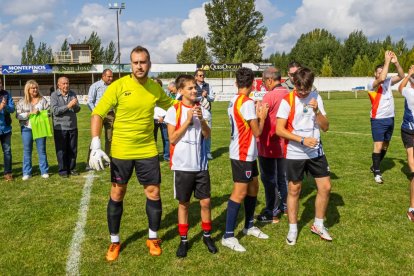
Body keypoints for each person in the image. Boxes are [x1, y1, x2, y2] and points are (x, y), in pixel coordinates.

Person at [88, 46, 175, 261]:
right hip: (121, 150)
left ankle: (152, 237)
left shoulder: (155, 88)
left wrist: (191, 105)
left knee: (153, 192)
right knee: (117, 193)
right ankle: (114, 241)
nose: (139, 66)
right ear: (131, 64)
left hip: (147, 149)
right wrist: (96, 144)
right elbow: (97, 113)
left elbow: (173, 105)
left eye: (143, 62)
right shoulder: (118, 86)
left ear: (149, 64)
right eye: (135, 62)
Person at [276, 67, 332, 246]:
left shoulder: (316, 98)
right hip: (295, 152)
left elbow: (325, 127)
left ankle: (318, 224)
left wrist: (317, 112)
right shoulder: (287, 100)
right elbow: (279, 130)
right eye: (300, 89)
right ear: (294, 84)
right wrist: (301, 140)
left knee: (326, 187)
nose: (302, 92)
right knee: (294, 190)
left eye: (306, 89)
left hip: (316, 151)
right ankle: (293, 228)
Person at [164, 74, 217, 257]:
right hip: (182, 166)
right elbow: (172, 139)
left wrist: (201, 119)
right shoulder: (174, 110)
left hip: (201, 165)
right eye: (190, 88)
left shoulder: (202, 109)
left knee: (206, 202)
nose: (194, 90)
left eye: (195, 87)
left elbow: (207, 135)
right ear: (180, 91)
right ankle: (184, 240)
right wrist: (187, 120)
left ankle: (207, 236)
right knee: (184, 204)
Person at [221, 67, 269, 252]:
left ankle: (249, 225)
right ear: (253, 83)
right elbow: (257, 131)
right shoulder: (247, 103)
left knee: (254, 186)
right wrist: (261, 117)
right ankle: (228, 236)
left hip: (245, 153)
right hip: (243, 153)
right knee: (239, 193)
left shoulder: (235, 100)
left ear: (236, 83)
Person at [256, 67, 289, 223]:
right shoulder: (289, 94)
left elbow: (260, 119)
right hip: (285, 144)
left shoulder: (269, 96)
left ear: (270, 80)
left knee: (269, 179)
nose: (264, 85)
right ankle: (285, 206)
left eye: (264, 81)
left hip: (268, 143)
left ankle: (272, 212)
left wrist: (257, 110)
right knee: (282, 178)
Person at [367, 50, 404, 184]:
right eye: (379, 71)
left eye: (383, 70)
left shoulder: (388, 82)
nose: (381, 73)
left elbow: (401, 75)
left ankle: (374, 165)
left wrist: (396, 63)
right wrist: (386, 61)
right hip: (378, 119)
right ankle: (377, 172)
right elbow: (381, 78)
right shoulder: (371, 85)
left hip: (390, 118)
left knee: (386, 145)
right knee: (378, 145)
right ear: (375, 74)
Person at [16, 80, 50, 180]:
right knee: (27, 151)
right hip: (26, 128)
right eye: (32, 88)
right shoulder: (22, 101)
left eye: (36, 87)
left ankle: (44, 171)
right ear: (28, 89)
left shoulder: (43, 100)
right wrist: (30, 113)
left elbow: (49, 112)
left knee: (42, 150)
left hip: (40, 128)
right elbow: (18, 116)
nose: (35, 89)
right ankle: (26, 172)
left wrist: (42, 112)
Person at [50, 76, 81, 178]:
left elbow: (77, 109)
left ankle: (72, 168)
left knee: (73, 149)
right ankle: (63, 170)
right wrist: (68, 106)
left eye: (67, 83)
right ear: (58, 85)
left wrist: (75, 105)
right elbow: (55, 111)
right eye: (63, 83)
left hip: (72, 126)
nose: (66, 85)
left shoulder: (72, 94)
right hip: (60, 128)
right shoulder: (54, 95)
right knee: (61, 150)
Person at [86, 69, 114, 170]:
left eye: (111, 76)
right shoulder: (95, 86)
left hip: (110, 115)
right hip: (99, 116)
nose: (111, 78)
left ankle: (107, 159)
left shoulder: (113, 86)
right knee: (95, 139)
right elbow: (89, 101)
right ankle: (90, 162)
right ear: (103, 76)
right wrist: (96, 114)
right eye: (108, 77)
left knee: (110, 139)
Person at [398, 65, 414, 221]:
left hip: (408, 129)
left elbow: (400, 87)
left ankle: (413, 171)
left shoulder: (409, 92)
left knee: (410, 153)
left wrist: (408, 75)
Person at [195, 69, 214, 160]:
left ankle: (208, 152)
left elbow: (213, 98)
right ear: (196, 77)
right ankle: (197, 152)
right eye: (200, 75)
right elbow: (192, 98)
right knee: (196, 133)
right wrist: (201, 97)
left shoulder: (208, 86)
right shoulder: (192, 86)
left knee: (207, 134)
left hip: (206, 113)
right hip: (196, 113)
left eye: (203, 75)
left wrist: (207, 96)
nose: (202, 77)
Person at [0, 78, 15, 181]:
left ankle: (8, 173)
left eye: (0, 83)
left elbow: (12, 109)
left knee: (7, 151)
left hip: (6, 129)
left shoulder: (6, 94)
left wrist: (5, 107)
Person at [152, 78, 170, 161]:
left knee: (166, 138)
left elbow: (168, 106)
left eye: (156, 84)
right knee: (153, 139)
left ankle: (166, 156)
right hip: (153, 119)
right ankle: (154, 156)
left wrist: (162, 116)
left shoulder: (165, 93)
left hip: (164, 118)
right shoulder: (149, 93)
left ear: (160, 85)